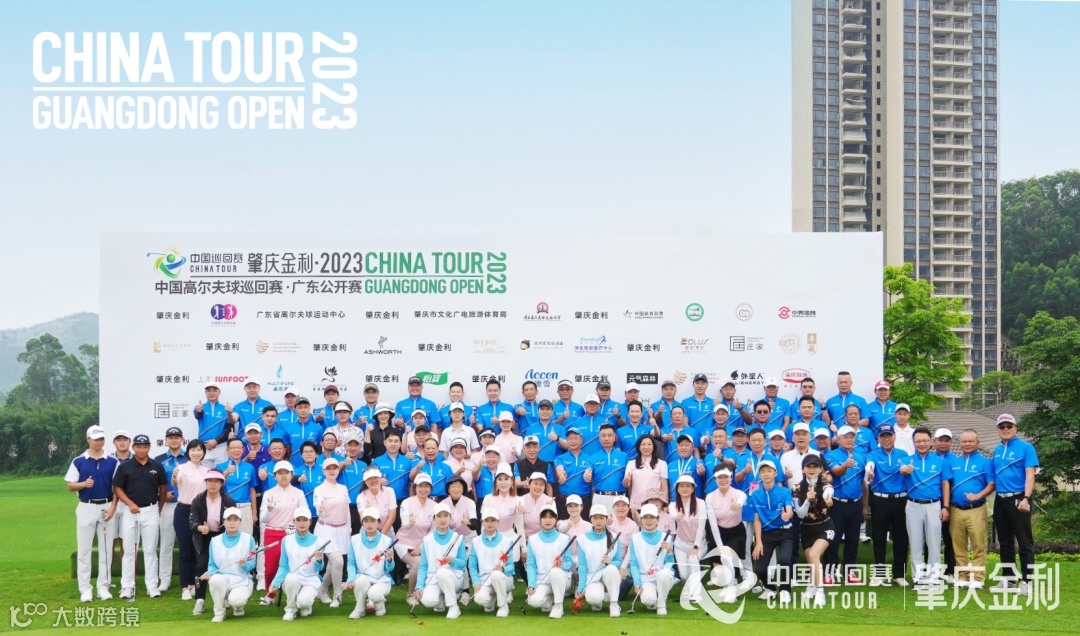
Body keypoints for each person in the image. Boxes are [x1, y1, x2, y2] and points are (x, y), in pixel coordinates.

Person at [66, 425, 120, 602]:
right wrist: (83, 484)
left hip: (107, 507)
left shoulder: (113, 461)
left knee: (106, 550)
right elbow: (70, 485)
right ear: (88, 439)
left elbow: (117, 488)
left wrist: (113, 508)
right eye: (96, 439)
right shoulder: (79, 461)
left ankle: (103, 587)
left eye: (101, 439)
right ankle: (85, 589)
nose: (99, 442)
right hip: (86, 507)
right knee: (84, 550)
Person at [113, 433, 167, 599]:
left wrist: (157, 509)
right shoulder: (125, 467)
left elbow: (163, 489)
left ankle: (152, 586)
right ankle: (127, 586)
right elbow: (118, 488)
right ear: (133, 447)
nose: (142, 450)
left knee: (150, 550)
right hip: (130, 512)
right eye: (138, 447)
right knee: (129, 550)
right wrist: (130, 504)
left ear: (149, 447)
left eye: (145, 447)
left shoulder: (157, 466)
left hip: (151, 511)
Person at [991, 413, 1038, 596]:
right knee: (1004, 541)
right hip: (1000, 499)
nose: (1005, 429)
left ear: (1016, 428)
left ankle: (1027, 581)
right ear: (998, 430)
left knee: (1024, 541)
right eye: (1002, 427)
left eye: (1009, 426)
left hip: (1019, 497)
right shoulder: (996, 449)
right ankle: (1009, 579)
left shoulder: (1026, 448)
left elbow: (1030, 475)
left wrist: (1026, 498)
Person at [866, 425, 912, 586]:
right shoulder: (873, 454)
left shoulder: (903, 454)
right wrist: (869, 471)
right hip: (880, 499)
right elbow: (869, 465)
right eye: (883, 436)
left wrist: (906, 469)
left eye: (889, 436)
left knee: (901, 537)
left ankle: (899, 574)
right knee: (879, 537)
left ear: (894, 437)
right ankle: (880, 574)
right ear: (878, 438)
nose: (886, 439)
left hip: (901, 499)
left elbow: (906, 468)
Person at [905, 427, 952, 587]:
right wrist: (904, 470)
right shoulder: (907, 460)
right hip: (913, 504)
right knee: (915, 543)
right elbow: (902, 471)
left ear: (931, 442)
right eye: (918, 441)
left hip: (934, 505)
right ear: (913, 442)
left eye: (925, 441)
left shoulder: (940, 461)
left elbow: (945, 484)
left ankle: (933, 577)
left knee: (934, 543)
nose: (922, 444)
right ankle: (918, 577)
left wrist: (946, 507)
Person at [949, 429, 995, 589]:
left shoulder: (985, 462)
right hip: (956, 509)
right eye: (964, 441)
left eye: (970, 441)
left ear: (977, 443)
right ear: (960, 443)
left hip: (976, 509)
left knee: (978, 545)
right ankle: (962, 576)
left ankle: (977, 578)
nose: (967, 444)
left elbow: (991, 484)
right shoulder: (954, 462)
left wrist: (978, 495)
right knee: (959, 545)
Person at [257, 460, 306, 605]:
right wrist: (269, 509)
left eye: (286, 473)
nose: (283, 476)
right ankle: (270, 595)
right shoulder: (269, 493)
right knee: (271, 568)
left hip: (292, 534)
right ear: (275, 476)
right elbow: (263, 519)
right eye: (280, 473)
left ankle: (297, 595)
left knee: (296, 566)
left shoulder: (298, 493)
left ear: (292, 475)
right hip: (272, 532)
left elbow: (304, 513)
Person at [824, 426, 868, 584]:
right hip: (837, 504)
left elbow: (863, 483)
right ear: (839, 439)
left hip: (855, 503)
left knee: (853, 539)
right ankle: (829, 572)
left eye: (852, 437)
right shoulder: (831, 455)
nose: (849, 439)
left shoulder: (861, 456)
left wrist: (864, 506)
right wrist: (845, 465)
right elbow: (836, 472)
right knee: (833, 539)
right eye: (845, 437)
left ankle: (850, 571)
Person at [189, 470, 236, 616]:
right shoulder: (198, 500)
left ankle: (225, 597)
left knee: (224, 566)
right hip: (203, 537)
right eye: (210, 481)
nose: (213, 484)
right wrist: (199, 527)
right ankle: (200, 600)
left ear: (222, 483)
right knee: (202, 565)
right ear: (206, 483)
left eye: (217, 481)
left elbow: (233, 520)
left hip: (223, 537)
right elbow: (192, 521)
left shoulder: (228, 501)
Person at [704, 467, 753, 603]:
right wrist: (720, 546)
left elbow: (743, 497)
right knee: (720, 568)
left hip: (737, 532)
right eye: (720, 477)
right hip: (719, 533)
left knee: (727, 558)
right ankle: (729, 583)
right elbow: (713, 524)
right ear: (715, 480)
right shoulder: (710, 497)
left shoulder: (737, 493)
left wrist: (738, 504)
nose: (723, 480)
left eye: (726, 477)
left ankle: (731, 591)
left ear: (731, 478)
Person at [200, 506, 257, 623]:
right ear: (223, 521)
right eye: (229, 519)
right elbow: (212, 564)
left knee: (237, 601)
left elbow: (252, 563)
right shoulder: (215, 541)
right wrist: (209, 573)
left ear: (240, 521)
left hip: (241, 579)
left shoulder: (248, 539)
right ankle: (219, 612)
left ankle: (238, 606)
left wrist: (245, 564)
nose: (232, 523)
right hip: (223, 579)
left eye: (235, 520)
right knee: (215, 580)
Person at [749, 459, 794, 602]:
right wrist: (758, 542)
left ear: (775, 473)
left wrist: (788, 515)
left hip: (785, 532)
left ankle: (785, 590)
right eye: (763, 471)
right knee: (761, 570)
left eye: (769, 471)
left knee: (785, 560)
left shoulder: (784, 491)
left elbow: (789, 510)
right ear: (759, 475)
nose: (766, 474)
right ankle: (770, 589)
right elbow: (757, 519)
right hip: (767, 533)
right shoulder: (755, 494)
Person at [413, 502, 468, 619]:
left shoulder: (458, 537)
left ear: (450, 517)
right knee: (428, 601)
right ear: (434, 519)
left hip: (454, 577)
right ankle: (441, 601)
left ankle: (453, 606)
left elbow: (463, 563)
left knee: (442, 572)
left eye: (446, 515)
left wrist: (453, 561)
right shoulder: (427, 540)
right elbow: (423, 566)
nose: (442, 519)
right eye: (439, 516)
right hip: (433, 579)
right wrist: (419, 586)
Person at [792, 454, 834, 607]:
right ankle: (811, 585)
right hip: (806, 528)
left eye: (815, 467)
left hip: (825, 526)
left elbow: (829, 492)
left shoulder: (825, 485)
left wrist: (828, 499)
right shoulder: (796, 488)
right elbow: (800, 514)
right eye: (808, 467)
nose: (812, 470)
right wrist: (807, 501)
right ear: (802, 469)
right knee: (811, 560)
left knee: (814, 554)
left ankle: (820, 591)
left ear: (821, 469)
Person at [269, 508, 324, 621]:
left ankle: (305, 605)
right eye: (298, 520)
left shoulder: (319, 541)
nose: (301, 523)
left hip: (311, 579)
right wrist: (275, 583)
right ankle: (291, 610)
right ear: (294, 521)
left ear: (310, 521)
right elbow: (283, 566)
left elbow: (319, 568)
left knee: (303, 602)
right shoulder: (286, 540)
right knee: (292, 579)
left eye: (305, 520)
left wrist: (319, 560)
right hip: (292, 580)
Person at [172, 439, 208, 601]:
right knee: (185, 551)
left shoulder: (207, 471)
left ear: (203, 452)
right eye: (193, 450)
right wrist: (174, 476)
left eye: (199, 450)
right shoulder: (181, 468)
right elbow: (175, 482)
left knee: (196, 550)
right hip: (183, 510)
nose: (196, 453)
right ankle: (184, 588)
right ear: (188, 452)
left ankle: (193, 584)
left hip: (199, 512)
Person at [343, 507, 395, 619]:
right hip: (363, 577)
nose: (369, 524)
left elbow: (389, 569)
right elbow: (351, 563)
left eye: (373, 520)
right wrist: (350, 579)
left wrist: (390, 559)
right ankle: (359, 609)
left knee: (374, 595)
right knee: (359, 580)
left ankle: (379, 605)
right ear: (362, 522)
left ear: (379, 522)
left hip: (381, 579)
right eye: (366, 521)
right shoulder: (354, 540)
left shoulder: (387, 541)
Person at [525, 503, 574, 618]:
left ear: (556, 519)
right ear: (540, 520)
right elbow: (531, 564)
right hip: (542, 580)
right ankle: (548, 599)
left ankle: (558, 606)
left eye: (551, 517)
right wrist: (531, 584)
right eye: (544, 517)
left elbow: (569, 563)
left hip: (561, 579)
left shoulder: (564, 538)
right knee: (533, 601)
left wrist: (561, 565)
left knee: (555, 571)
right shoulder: (533, 539)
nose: (548, 520)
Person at [153, 426, 187, 593]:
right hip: (167, 506)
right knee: (166, 545)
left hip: (186, 506)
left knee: (187, 545)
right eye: (171, 437)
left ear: (182, 439)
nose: (174, 440)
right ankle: (164, 579)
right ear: (166, 440)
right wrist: (162, 494)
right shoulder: (158, 460)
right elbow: (152, 482)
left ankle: (188, 579)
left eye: (177, 437)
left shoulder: (190, 457)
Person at [313, 457, 350, 606]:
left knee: (333, 564)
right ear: (323, 471)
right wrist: (320, 510)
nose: (332, 471)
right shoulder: (319, 489)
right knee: (338, 561)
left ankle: (322, 590)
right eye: (328, 468)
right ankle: (337, 596)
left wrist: (348, 528)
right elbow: (319, 510)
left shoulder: (343, 488)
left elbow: (346, 509)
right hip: (325, 529)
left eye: (334, 468)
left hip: (342, 529)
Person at [575, 504, 623, 617]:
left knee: (612, 569)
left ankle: (614, 604)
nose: (598, 521)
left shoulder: (614, 537)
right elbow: (582, 565)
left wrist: (610, 562)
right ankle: (601, 598)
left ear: (606, 519)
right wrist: (581, 587)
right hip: (592, 577)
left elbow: (618, 561)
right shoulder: (582, 539)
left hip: (607, 574)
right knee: (594, 599)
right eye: (595, 518)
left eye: (602, 518)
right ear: (590, 519)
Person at [469, 507, 518, 617]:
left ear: (497, 522)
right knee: (480, 599)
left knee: (496, 575)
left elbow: (511, 567)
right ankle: (492, 599)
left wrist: (503, 569)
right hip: (484, 580)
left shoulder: (506, 541)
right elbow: (472, 566)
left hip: (504, 579)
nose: (489, 523)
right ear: (482, 521)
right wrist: (476, 582)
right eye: (486, 520)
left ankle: (503, 606)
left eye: (493, 520)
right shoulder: (476, 541)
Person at [628, 503, 675, 615]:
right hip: (646, 577)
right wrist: (637, 583)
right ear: (641, 519)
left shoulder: (667, 538)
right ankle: (654, 600)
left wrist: (669, 550)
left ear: (657, 519)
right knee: (648, 600)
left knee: (663, 575)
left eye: (652, 517)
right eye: (645, 517)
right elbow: (633, 563)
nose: (648, 520)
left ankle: (661, 605)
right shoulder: (635, 538)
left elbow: (670, 564)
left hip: (663, 576)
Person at [398, 472, 438, 594]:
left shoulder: (435, 506)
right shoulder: (406, 502)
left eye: (426, 486)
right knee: (418, 564)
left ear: (430, 488)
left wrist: (421, 547)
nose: (423, 489)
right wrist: (409, 523)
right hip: (403, 542)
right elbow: (405, 525)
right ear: (415, 487)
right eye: (420, 486)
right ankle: (411, 594)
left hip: (423, 544)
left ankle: (426, 592)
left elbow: (433, 530)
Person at [669, 474, 706, 603]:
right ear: (677, 489)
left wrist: (696, 547)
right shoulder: (673, 504)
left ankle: (696, 594)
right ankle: (691, 589)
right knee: (684, 575)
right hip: (680, 544)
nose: (684, 488)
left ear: (693, 488)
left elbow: (701, 527)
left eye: (688, 486)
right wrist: (676, 516)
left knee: (693, 560)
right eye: (682, 486)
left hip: (699, 544)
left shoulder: (701, 503)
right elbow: (673, 513)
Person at [217, 438, 258, 536]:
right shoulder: (219, 467)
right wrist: (226, 473)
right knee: (228, 538)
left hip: (245, 507)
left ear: (243, 450)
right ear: (227, 450)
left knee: (246, 538)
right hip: (227, 507)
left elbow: (252, 490)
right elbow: (217, 487)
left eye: (239, 448)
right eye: (233, 448)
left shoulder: (249, 467)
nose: (236, 450)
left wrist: (254, 513)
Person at [193, 381, 237, 468]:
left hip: (221, 447)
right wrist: (198, 411)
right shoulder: (200, 407)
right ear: (205, 392)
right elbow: (198, 415)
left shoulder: (225, 409)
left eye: (214, 390)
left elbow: (230, 429)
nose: (211, 393)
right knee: (205, 474)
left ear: (219, 392)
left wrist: (216, 441)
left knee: (222, 473)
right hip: (205, 447)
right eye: (209, 391)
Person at [933, 428, 957, 581]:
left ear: (951, 442)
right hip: (932, 502)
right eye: (940, 440)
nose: (943, 443)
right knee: (931, 539)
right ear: (934, 441)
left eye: (946, 440)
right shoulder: (929, 458)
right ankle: (931, 570)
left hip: (950, 504)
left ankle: (949, 571)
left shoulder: (956, 460)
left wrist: (947, 506)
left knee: (949, 538)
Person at [588, 422, 628, 512]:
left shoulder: (624, 456)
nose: (606, 438)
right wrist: (587, 474)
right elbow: (588, 472)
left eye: (609, 435)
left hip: (619, 498)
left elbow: (628, 477)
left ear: (614, 438)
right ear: (599, 438)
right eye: (603, 436)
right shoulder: (593, 458)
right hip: (599, 497)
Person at [623, 435, 668, 511]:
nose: (646, 447)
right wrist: (625, 482)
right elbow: (628, 486)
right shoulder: (631, 463)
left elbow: (665, 488)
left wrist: (665, 506)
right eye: (643, 444)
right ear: (639, 447)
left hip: (654, 507)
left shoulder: (662, 464)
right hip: (636, 506)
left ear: (653, 446)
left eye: (649, 444)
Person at [554, 428, 592, 516]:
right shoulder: (560, 458)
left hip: (583, 501)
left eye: (576, 438)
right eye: (570, 439)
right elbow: (559, 469)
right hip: (564, 501)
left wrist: (588, 474)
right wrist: (561, 475)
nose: (573, 441)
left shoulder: (590, 459)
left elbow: (589, 470)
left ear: (581, 440)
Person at [372, 429, 411, 503]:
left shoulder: (407, 461)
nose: (393, 444)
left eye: (396, 441)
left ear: (400, 443)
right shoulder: (376, 461)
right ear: (385, 442)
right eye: (390, 441)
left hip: (403, 501)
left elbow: (410, 483)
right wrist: (379, 482)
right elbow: (371, 482)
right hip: (383, 501)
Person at [358, 466, 398, 538]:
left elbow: (392, 518)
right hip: (368, 532)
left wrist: (380, 536)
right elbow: (363, 520)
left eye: (376, 477)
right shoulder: (361, 496)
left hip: (387, 532)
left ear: (380, 478)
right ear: (366, 481)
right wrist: (370, 512)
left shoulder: (390, 491)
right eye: (370, 478)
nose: (373, 480)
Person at [525, 399, 567, 464]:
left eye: (547, 409)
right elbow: (526, 448)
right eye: (542, 409)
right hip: (536, 463)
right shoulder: (531, 429)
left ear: (552, 412)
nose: (545, 411)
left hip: (555, 464)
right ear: (538, 411)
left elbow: (566, 446)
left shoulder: (560, 428)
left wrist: (557, 438)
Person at [294, 441, 325, 526]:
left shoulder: (324, 470)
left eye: (311, 451)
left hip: (321, 513)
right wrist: (298, 479)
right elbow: (291, 479)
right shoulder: (297, 471)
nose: (308, 454)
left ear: (316, 454)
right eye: (305, 452)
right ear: (301, 455)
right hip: (303, 515)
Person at [666, 433, 704, 501]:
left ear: (692, 447)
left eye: (687, 445)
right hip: (674, 502)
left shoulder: (698, 462)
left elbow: (702, 472)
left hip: (694, 502)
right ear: (676, 447)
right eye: (680, 445)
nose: (683, 448)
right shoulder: (670, 465)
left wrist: (701, 470)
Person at [288, 397, 323, 465]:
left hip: (312, 466)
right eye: (300, 408)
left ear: (309, 408)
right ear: (295, 409)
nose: (303, 410)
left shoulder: (318, 428)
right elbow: (288, 449)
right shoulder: (289, 429)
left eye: (305, 407)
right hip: (294, 466)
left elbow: (319, 449)